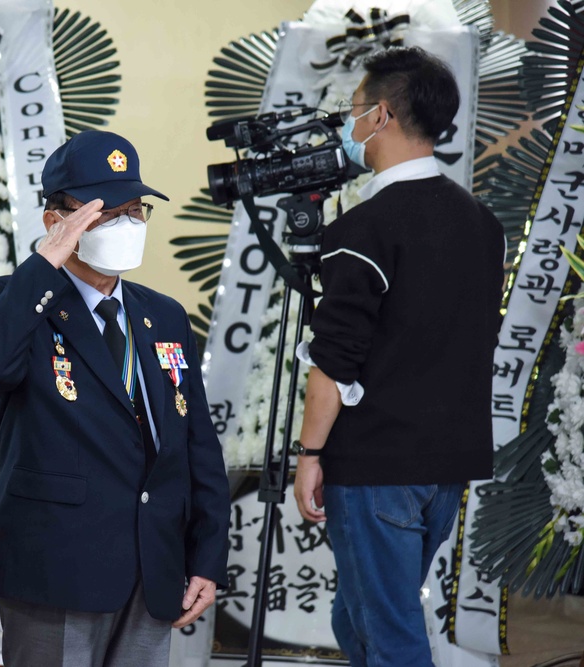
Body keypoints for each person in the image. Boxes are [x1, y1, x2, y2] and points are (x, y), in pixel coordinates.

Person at [0, 129, 230, 666]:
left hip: (153, 568)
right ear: (57, 219)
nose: (126, 225)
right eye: (105, 213)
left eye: (136, 210)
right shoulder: (15, 301)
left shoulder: (164, 316)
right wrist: (47, 261)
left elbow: (196, 445)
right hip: (57, 570)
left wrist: (206, 557)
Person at [292, 47, 504, 666]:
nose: (351, 124)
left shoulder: (364, 229)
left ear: (380, 115)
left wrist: (310, 455)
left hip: (378, 461)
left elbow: (335, 359)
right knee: (359, 613)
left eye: (354, 110)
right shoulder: (481, 224)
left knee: (390, 634)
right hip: (448, 462)